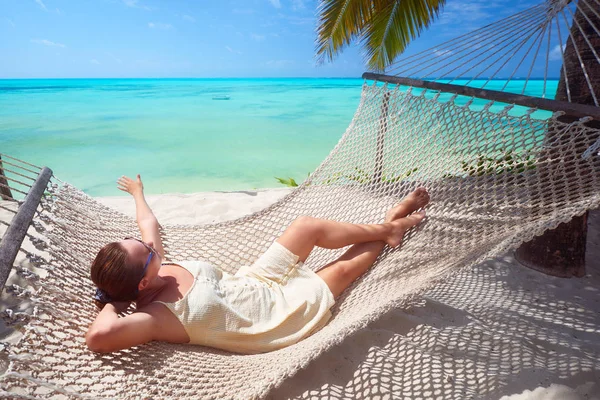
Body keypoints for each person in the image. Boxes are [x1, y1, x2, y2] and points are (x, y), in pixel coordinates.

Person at [86, 175, 429, 354]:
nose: (148, 245)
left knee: (306, 226)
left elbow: (149, 225)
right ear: (141, 284)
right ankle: (391, 223)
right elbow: (99, 337)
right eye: (144, 251)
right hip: (272, 317)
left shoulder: (154, 266)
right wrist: (114, 302)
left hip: (254, 280)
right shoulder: (155, 317)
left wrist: (137, 192)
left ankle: (388, 228)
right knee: (341, 270)